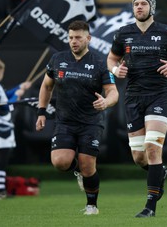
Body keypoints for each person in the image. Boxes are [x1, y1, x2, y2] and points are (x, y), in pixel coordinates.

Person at [107, 0, 167, 217]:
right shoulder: (123, 33)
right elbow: (111, 58)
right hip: (133, 97)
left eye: (143, 4)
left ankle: (150, 207)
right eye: (136, 4)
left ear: (151, 8)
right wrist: (116, 69)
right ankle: (159, 173)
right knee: (139, 157)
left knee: (153, 147)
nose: (138, 7)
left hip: (159, 96)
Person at [36, 20, 118, 215]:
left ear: (88, 39)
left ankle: (92, 206)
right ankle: (78, 170)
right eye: (71, 37)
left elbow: (113, 92)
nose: (74, 41)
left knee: (88, 165)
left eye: (78, 37)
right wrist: (41, 111)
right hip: (64, 121)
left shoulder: (100, 63)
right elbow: (47, 86)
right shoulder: (57, 59)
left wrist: (106, 102)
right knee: (60, 162)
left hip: (91, 122)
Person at [0, 57, 31, 200]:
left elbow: (4, 96)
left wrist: (19, 87)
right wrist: (17, 97)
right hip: (0, 125)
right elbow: (4, 107)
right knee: (1, 158)